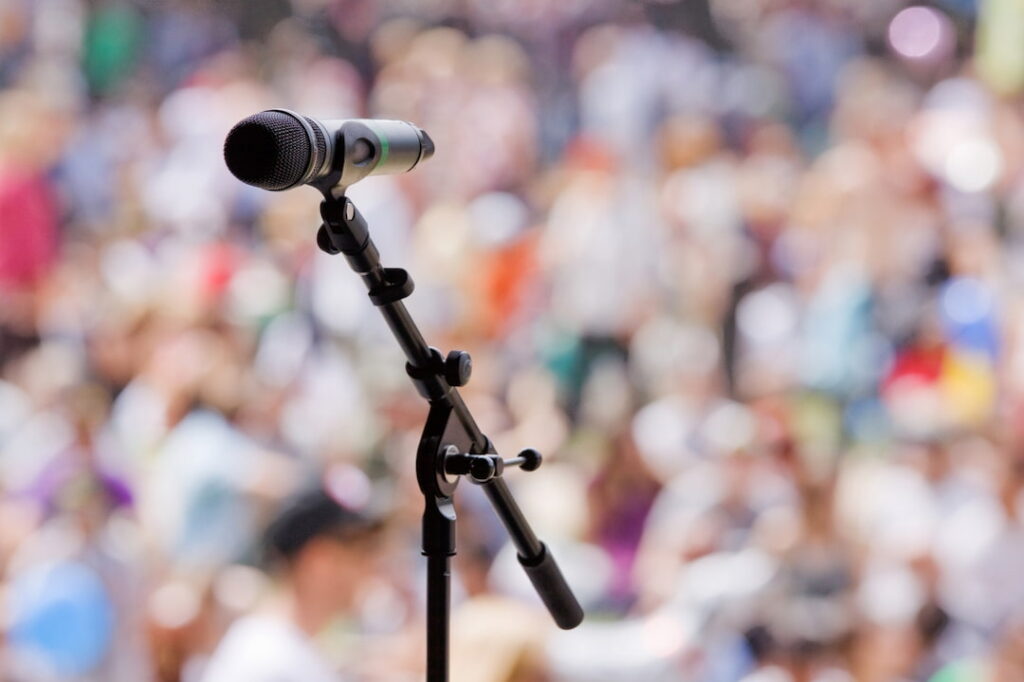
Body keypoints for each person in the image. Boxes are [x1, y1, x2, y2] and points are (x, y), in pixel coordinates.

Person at [200, 484, 382, 682]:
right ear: (319, 560)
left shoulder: (284, 649)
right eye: (362, 554)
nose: (371, 569)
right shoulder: (271, 660)